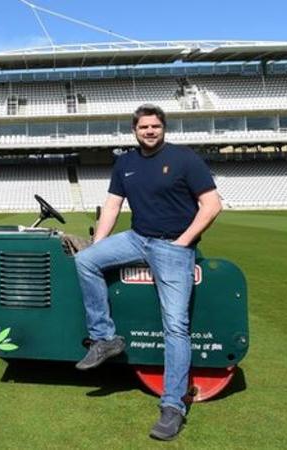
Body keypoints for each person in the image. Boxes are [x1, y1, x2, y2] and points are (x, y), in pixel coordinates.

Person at [74, 103, 222, 441]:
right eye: (144, 127)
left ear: (163, 128)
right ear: (135, 131)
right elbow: (113, 206)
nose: (150, 131)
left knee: (175, 326)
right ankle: (104, 338)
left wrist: (183, 243)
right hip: (138, 238)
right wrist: (98, 244)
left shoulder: (185, 159)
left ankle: (173, 406)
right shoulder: (125, 163)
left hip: (173, 246)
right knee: (85, 261)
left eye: (155, 126)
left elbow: (212, 204)